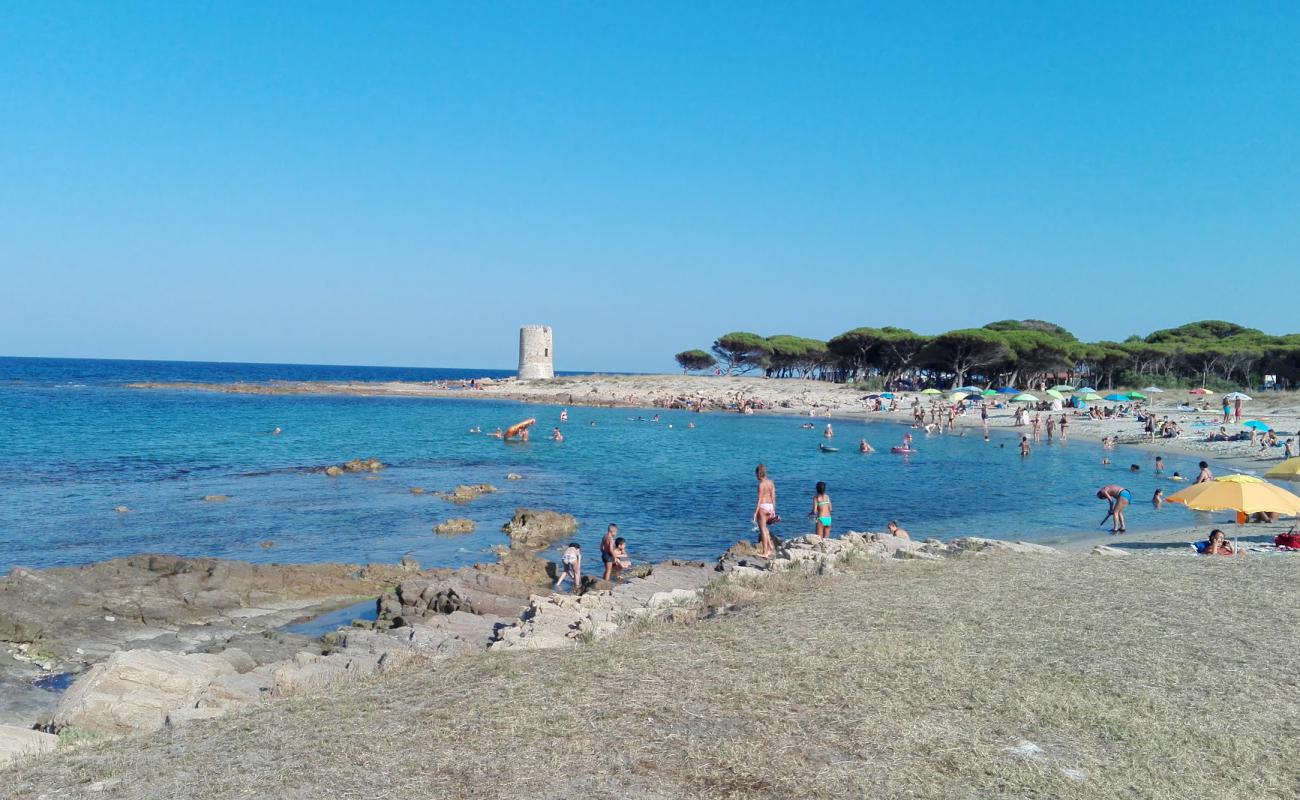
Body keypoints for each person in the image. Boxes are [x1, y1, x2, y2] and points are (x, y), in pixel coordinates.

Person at [753, 464, 777, 559]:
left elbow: (759, 499)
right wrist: (773, 510)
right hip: (770, 506)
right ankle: (770, 546)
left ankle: (765, 552)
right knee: (765, 528)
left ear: (758, 474)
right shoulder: (771, 482)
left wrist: (755, 512)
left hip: (762, 507)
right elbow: (773, 497)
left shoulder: (761, 485)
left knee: (762, 530)